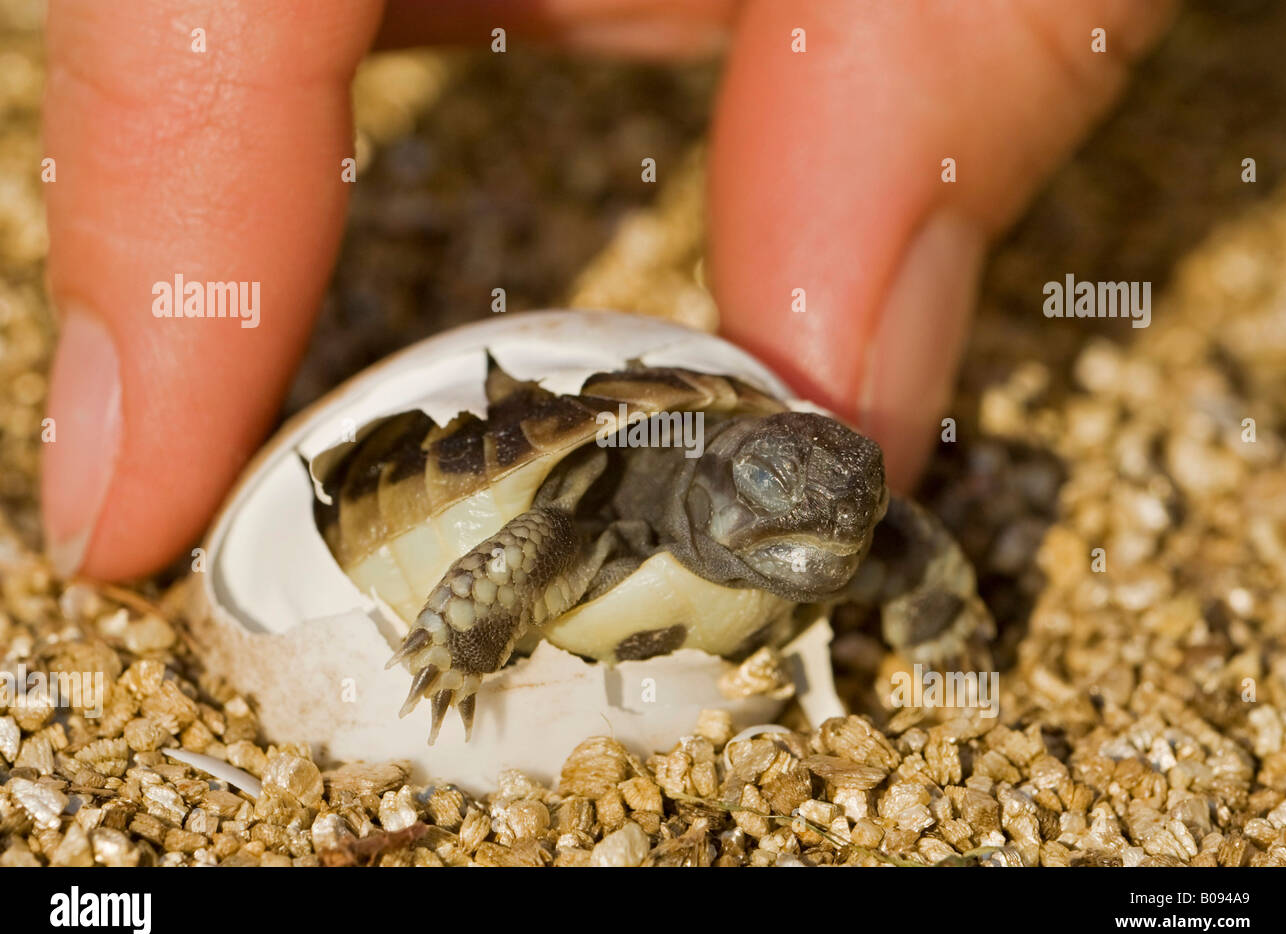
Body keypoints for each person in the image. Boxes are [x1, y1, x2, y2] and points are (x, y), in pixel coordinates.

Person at [40, 0, 1176, 580]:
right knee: (538, 540)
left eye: (850, 499)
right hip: (566, 490)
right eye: (791, 479)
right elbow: (544, 527)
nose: (834, 514)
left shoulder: (808, 526)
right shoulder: (609, 504)